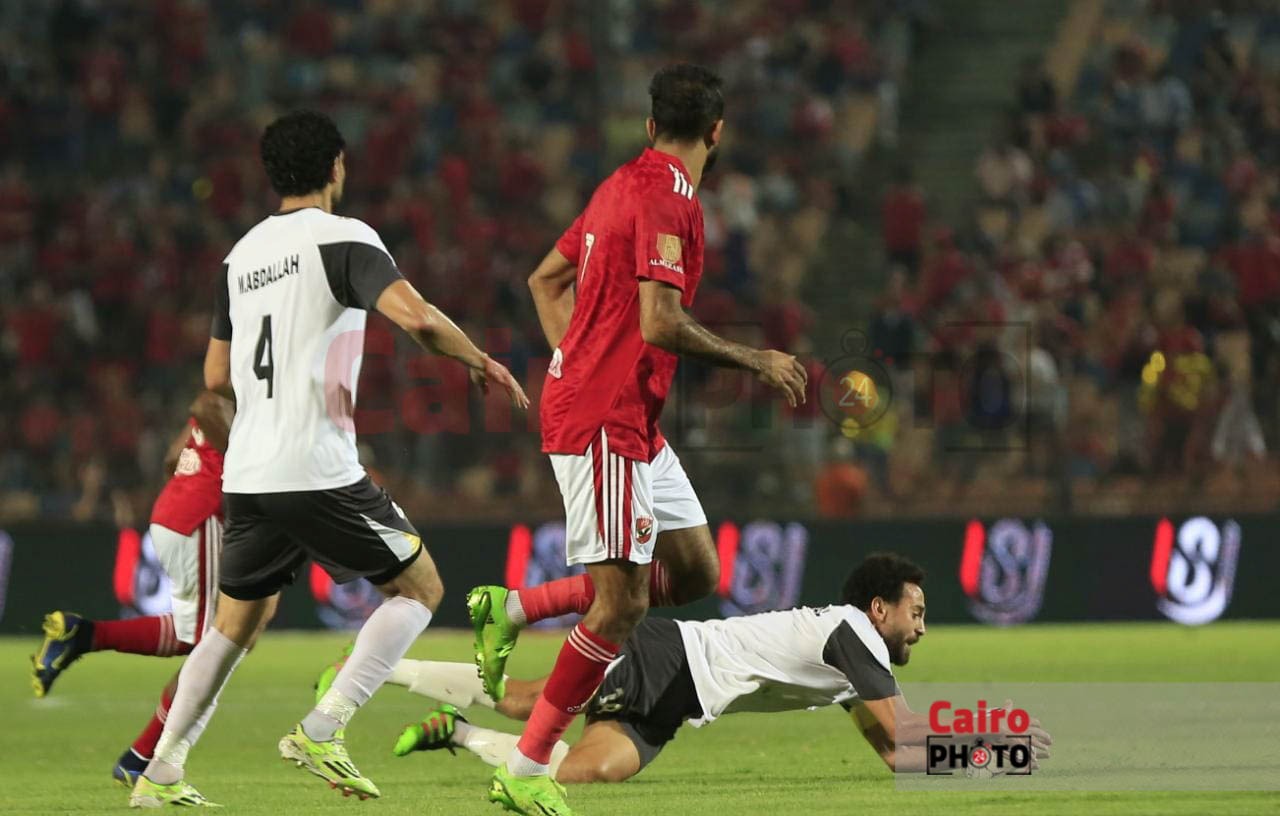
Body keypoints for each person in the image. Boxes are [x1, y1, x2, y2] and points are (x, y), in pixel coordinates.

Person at [129, 110, 528, 808]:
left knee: (234, 626)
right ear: (336, 166)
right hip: (314, 465)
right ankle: (324, 727)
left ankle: (161, 772)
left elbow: (215, 375)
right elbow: (417, 317)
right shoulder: (345, 239)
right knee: (420, 589)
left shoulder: (239, 257)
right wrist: (479, 358)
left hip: (248, 472)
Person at [470, 63, 807, 815]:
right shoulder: (666, 199)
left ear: (652, 126)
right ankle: (526, 768)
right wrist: (755, 358)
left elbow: (543, 281)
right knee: (621, 607)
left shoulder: (619, 184)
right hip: (605, 421)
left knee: (694, 571)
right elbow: (659, 321)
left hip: (631, 420)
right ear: (717, 133)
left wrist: (574, 356)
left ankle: (514, 608)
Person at [374, 555, 1048, 779]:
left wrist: (994, 758)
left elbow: (897, 756)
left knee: (589, 771)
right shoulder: (853, 635)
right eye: (916, 613)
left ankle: (456, 732)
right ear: (879, 609)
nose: (921, 629)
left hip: (682, 697)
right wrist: (999, 746)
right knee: (529, 703)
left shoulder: (848, 662)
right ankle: (381, 666)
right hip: (666, 656)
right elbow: (906, 734)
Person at [31, 390, 233, 786]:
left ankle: (86, 638)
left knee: (202, 640)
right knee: (212, 646)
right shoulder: (248, 391)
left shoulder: (226, 393)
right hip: (201, 514)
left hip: (173, 510)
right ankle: (142, 756)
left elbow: (172, 458)